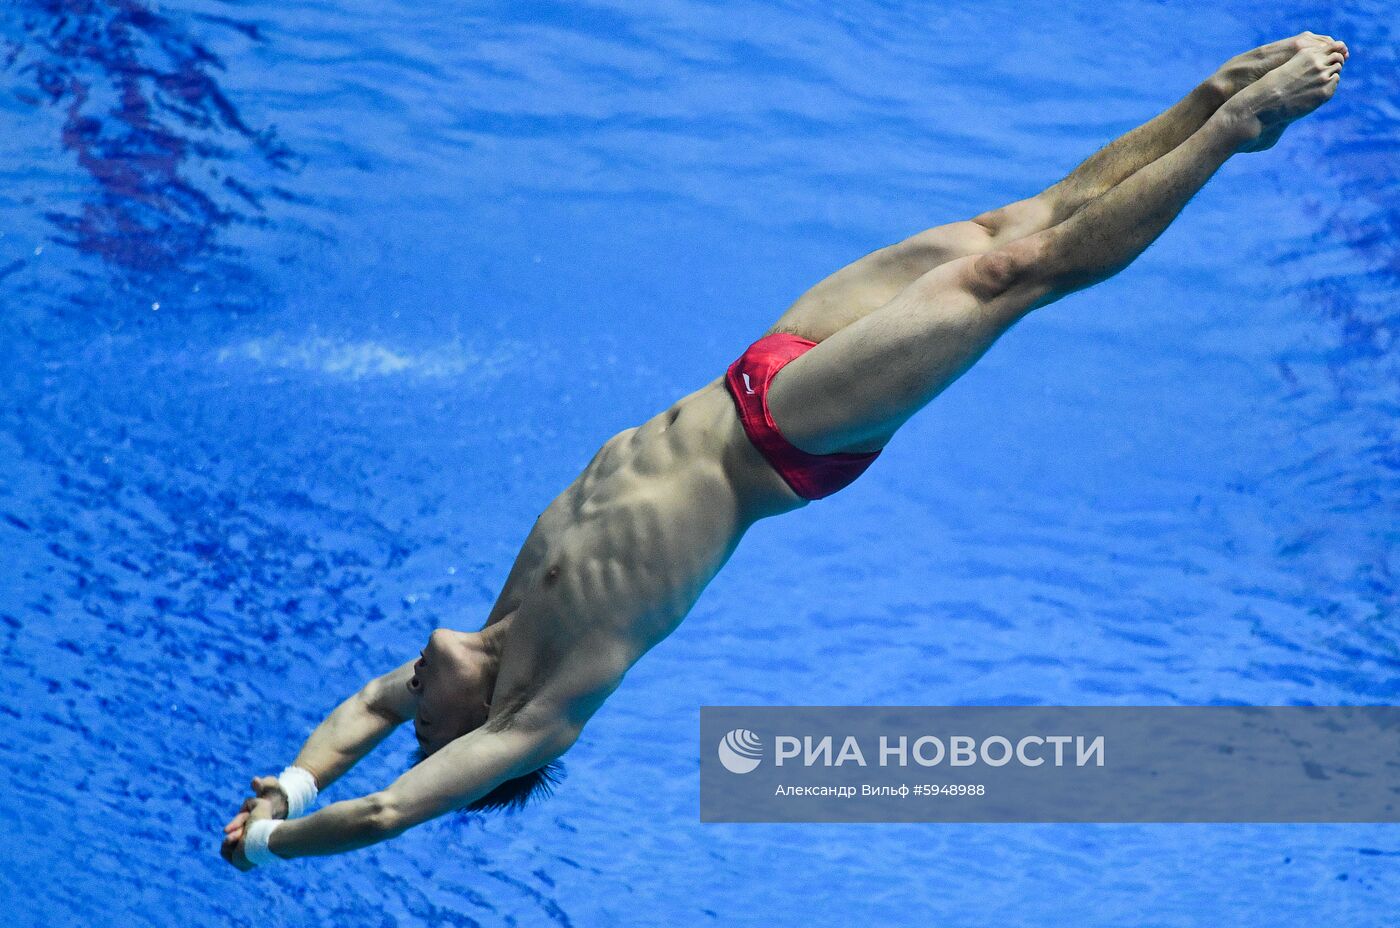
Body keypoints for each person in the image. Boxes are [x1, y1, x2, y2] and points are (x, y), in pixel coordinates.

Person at [222, 33, 1347, 868]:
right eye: (425, 719)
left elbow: (366, 722)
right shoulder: (537, 709)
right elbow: (382, 809)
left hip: (757, 368)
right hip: (783, 436)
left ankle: (1201, 96)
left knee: (1014, 221)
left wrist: (288, 778)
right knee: (1010, 279)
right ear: (464, 742)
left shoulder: (490, 634)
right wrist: (273, 849)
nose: (407, 691)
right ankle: (1233, 134)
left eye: (412, 703)